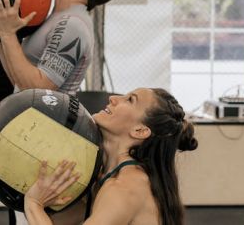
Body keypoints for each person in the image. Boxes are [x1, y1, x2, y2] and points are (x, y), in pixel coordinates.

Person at [22, 88, 199, 225]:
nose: (113, 98)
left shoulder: (124, 188)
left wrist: (33, 203)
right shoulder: (106, 176)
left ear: (140, 130)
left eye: (130, 100)